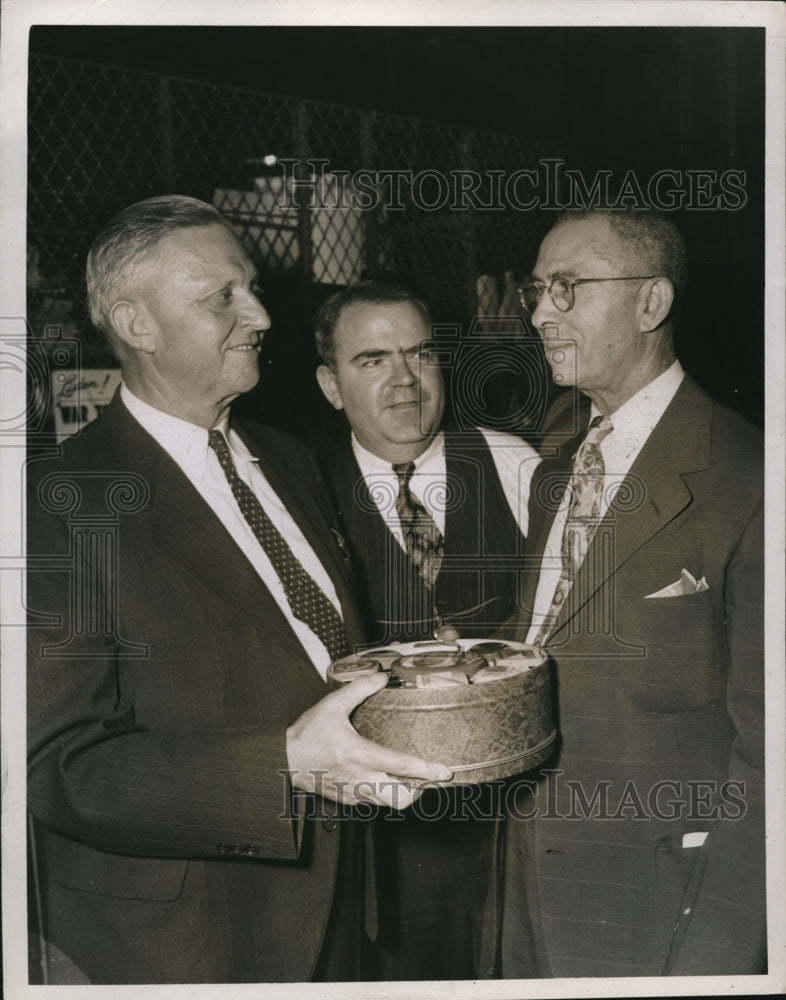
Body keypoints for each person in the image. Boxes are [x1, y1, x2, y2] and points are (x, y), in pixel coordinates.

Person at [25, 196, 452, 986]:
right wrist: (283, 764)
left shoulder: (287, 457)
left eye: (250, 287)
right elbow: (58, 766)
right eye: (221, 296)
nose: (259, 314)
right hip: (191, 941)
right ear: (137, 324)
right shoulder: (56, 503)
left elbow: (310, 652)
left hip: (342, 909)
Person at [500, 209, 765, 978]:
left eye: (567, 287)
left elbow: (771, 758)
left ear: (651, 303)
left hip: (660, 905)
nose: (540, 313)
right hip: (528, 890)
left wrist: (716, 960)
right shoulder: (559, 465)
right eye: (537, 290)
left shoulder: (749, 478)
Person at [313, 279, 540, 980]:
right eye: (373, 360)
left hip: (521, 816)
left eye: (421, 354)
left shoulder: (513, 463)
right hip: (390, 840)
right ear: (331, 385)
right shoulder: (304, 490)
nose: (406, 380)